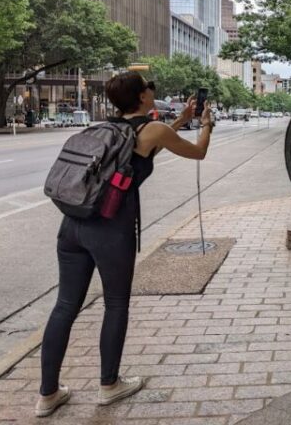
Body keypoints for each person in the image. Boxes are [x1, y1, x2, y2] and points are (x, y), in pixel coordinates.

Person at [36, 71, 214, 417]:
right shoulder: (150, 130)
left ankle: (47, 395)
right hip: (110, 229)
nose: (153, 90)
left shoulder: (106, 129)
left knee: (65, 307)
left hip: (72, 226)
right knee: (115, 305)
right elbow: (199, 152)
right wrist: (205, 124)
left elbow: (147, 147)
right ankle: (109, 384)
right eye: (150, 87)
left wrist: (180, 119)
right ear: (143, 97)